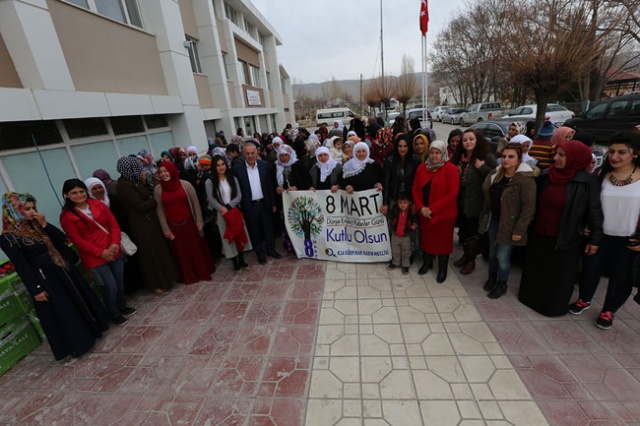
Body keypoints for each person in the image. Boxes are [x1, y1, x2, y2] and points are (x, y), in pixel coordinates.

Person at [0, 192, 109, 360]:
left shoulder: (35, 224)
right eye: (26, 209)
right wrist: (36, 289)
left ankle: (94, 329)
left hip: (62, 269)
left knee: (77, 299)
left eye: (33, 208)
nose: (32, 212)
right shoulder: (7, 236)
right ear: (14, 211)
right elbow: (22, 265)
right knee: (64, 310)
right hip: (46, 278)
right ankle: (80, 343)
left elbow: (61, 239)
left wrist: (44, 224)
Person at [518, 140, 602, 317]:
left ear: (575, 158)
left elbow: (595, 212)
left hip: (566, 237)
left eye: (562, 155)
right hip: (540, 232)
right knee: (536, 268)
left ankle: (552, 307)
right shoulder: (547, 175)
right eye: (556, 153)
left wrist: (594, 238)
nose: (555, 158)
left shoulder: (588, 182)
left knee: (559, 275)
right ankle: (530, 299)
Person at [569, 130, 640, 329]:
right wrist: (587, 226)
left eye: (622, 152)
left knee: (621, 277)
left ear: (635, 154)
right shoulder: (601, 176)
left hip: (629, 240)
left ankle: (609, 310)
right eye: (612, 151)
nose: (614, 156)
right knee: (590, 269)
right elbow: (590, 206)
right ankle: (584, 299)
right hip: (598, 236)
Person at [60, 179, 135, 326]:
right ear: (66, 195)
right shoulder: (67, 216)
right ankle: (114, 313)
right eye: (74, 193)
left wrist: (114, 243)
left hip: (114, 250)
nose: (79, 195)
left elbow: (113, 224)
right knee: (109, 285)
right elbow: (77, 240)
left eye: (81, 191)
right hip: (95, 257)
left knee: (119, 282)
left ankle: (122, 306)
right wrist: (100, 252)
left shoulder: (98, 204)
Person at [478, 143, 536, 299]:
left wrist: (519, 229)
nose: (506, 160)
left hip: (510, 225)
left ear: (519, 159)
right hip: (494, 220)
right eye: (503, 156)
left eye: (511, 157)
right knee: (492, 253)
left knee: (502, 256)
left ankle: (502, 283)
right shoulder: (496, 173)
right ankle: (492, 277)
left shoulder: (525, 180)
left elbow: (528, 208)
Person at [116, 156, 178, 294]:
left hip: (150, 223)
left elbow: (145, 196)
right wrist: (153, 198)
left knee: (159, 251)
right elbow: (141, 205)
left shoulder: (134, 181)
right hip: (141, 226)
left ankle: (167, 279)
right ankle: (157, 284)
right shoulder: (123, 185)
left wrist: (144, 184)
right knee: (150, 256)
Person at [154, 161, 215, 284]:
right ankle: (188, 276)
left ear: (171, 170)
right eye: (161, 172)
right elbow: (160, 211)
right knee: (181, 254)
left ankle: (201, 272)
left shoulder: (185, 184)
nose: (164, 174)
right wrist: (166, 230)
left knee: (195, 250)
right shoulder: (158, 190)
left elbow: (195, 203)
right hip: (174, 227)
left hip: (190, 224)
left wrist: (199, 221)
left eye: (166, 171)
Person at [450, 129, 497, 274]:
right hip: (460, 203)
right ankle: (466, 255)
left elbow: (496, 176)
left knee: (472, 234)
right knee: (463, 232)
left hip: (476, 204)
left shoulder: (486, 157)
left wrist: (481, 167)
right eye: (465, 140)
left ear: (477, 141)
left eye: (471, 139)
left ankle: (471, 260)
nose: (468, 142)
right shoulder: (459, 157)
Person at [412, 140, 460, 282]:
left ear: (443, 153)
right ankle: (427, 263)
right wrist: (421, 208)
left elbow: (452, 194)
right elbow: (415, 189)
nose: (434, 156)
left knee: (442, 243)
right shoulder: (422, 168)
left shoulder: (450, 169)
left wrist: (431, 209)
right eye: (431, 152)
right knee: (427, 240)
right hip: (425, 213)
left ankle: (442, 269)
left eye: (437, 153)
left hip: (444, 215)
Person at [232, 143, 281, 264]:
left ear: (257, 153)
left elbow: (270, 185)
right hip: (249, 205)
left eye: (252, 153)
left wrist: (273, 203)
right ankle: (259, 252)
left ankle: (270, 249)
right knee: (254, 230)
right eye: (247, 153)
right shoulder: (237, 169)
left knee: (268, 227)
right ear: (243, 154)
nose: (250, 156)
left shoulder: (264, 165)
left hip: (265, 203)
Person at [206, 155, 252, 271]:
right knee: (228, 238)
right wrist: (221, 208)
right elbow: (211, 198)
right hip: (222, 214)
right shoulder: (210, 181)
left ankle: (241, 260)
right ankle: (235, 262)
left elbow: (239, 195)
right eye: (218, 165)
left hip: (234, 212)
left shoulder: (232, 178)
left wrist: (228, 206)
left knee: (239, 235)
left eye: (223, 164)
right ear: (214, 167)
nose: (221, 167)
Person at [381, 133, 420, 216]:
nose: (402, 149)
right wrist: (385, 203)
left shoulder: (415, 160)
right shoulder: (390, 161)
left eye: (405, 146)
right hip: (394, 198)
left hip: (410, 200)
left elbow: (417, 184)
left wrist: (415, 202)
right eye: (400, 146)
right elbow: (386, 182)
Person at [387, 192, 417, 275]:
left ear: (409, 203)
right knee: (395, 250)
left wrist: (414, 224)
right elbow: (390, 217)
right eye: (400, 203)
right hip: (395, 235)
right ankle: (395, 262)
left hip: (406, 236)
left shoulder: (411, 212)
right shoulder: (394, 210)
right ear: (397, 203)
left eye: (405, 203)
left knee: (406, 251)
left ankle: (405, 265)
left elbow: (414, 220)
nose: (403, 205)